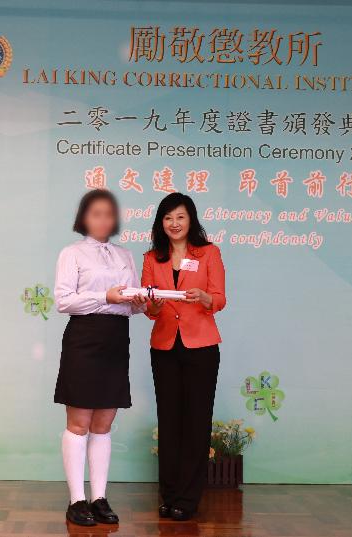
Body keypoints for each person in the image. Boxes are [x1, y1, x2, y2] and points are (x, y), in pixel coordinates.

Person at [53, 190, 147, 526]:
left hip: (115, 341)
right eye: (96, 213)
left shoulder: (125, 254)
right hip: (84, 340)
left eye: (109, 214)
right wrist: (104, 296)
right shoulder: (72, 253)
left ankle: (99, 498)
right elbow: (64, 301)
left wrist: (145, 303)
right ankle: (76, 500)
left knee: (104, 425)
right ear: (83, 217)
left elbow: (132, 302)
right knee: (79, 424)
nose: (103, 220)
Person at [141, 192, 226, 521]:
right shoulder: (152, 258)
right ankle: (170, 494)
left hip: (201, 347)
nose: (174, 224)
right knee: (170, 421)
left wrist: (205, 297)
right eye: (167, 218)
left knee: (196, 422)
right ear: (160, 223)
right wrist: (153, 305)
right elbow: (148, 306)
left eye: (180, 217)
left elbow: (220, 298)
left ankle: (189, 499)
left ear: (191, 220)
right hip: (164, 347)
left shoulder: (208, 253)